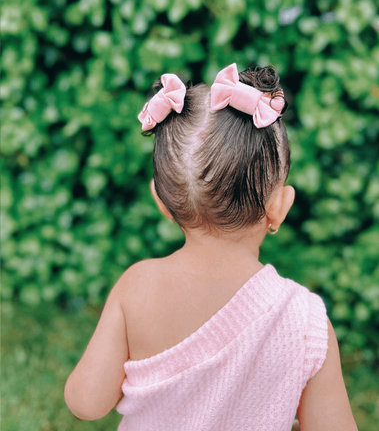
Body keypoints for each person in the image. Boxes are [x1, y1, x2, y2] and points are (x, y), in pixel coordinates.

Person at [64, 64, 358, 431]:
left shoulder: (137, 287)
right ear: (280, 207)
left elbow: (85, 402)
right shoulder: (306, 321)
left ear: (163, 203)